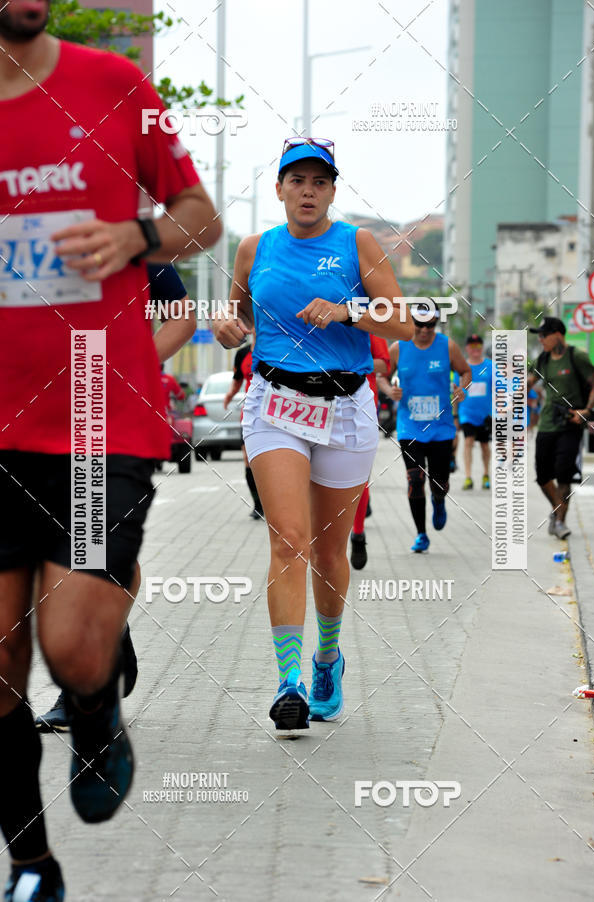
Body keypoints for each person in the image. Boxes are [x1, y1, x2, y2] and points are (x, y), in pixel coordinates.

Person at [0, 4, 220, 899]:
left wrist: (137, 235)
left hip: (93, 411)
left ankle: (96, 710)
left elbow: (199, 217)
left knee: (73, 649)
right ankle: (30, 864)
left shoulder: (115, 85)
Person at [213, 137, 413, 730]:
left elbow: (404, 318)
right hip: (274, 402)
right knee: (288, 541)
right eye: (296, 180)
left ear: (332, 189)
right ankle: (287, 683)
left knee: (329, 550)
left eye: (319, 181)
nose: (308, 190)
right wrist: (231, 327)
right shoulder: (255, 248)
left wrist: (348, 310)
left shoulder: (358, 243)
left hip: (345, 406)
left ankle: (328, 658)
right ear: (278, 188)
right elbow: (242, 315)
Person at [34, 264, 195, 734]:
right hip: (32, 405)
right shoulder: (26, 231)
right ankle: (113, 636)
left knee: (89, 538)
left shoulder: (137, 238)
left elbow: (182, 317)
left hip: (100, 408)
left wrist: (130, 366)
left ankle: (88, 674)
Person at [379, 302, 471, 553]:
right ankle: (421, 534)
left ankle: (439, 500)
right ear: (412, 323)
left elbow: (465, 372)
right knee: (415, 479)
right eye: (420, 324)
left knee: (438, 482)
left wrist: (462, 388)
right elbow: (381, 375)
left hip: (441, 428)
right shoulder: (398, 347)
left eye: (431, 325)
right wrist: (390, 390)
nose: (425, 330)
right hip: (410, 427)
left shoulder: (447, 346)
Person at [528, 316, 594, 540]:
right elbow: (529, 381)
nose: (540, 340)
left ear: (557, 334)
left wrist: (586, 411)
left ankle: (560, 522)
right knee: (542, 475)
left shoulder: (576, 356)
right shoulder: (544, 359)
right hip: (548, 423)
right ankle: (557, 509)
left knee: (564, 474)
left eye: (543, 335)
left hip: (571, 424)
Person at [349, 334, 390, 569]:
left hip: (361, 406)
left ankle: (358, 533)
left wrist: (352, 361)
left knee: (360, 476)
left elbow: (384, 364)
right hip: (320, 403)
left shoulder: (365, 319)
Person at [223, 334, 263, 518]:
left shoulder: (274, 349)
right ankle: (257, 505)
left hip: (275, 412)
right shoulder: (242, 354)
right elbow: (237, 378)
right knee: (249, 459)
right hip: (249, 414)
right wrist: (230, 395)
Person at [458, 334, 492, 490]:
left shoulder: (491, 366)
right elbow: (456, 390)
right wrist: (454, 416)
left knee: (485, 445)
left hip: (486, 415)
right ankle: (468, 476)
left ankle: (486, 474)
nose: (475, 349)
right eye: (472, 346)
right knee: (468, 441)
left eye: (478, 346)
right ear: (467, 348)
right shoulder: (462, 367)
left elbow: (499, 389)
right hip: (467, 413)